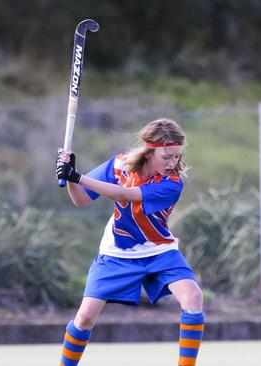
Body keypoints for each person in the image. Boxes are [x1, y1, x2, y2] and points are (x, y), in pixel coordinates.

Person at [55, 118, 205, 366]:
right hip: (116, 254)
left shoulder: (172, 183)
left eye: (177, 157)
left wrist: (78, 176)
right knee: (84, 319)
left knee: (193, 297)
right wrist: (70, 177)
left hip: (159, 251)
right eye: (166, 156)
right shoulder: (118, 166)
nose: (173, 163)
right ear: (149, 150)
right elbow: (80, 199)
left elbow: (126, 195)